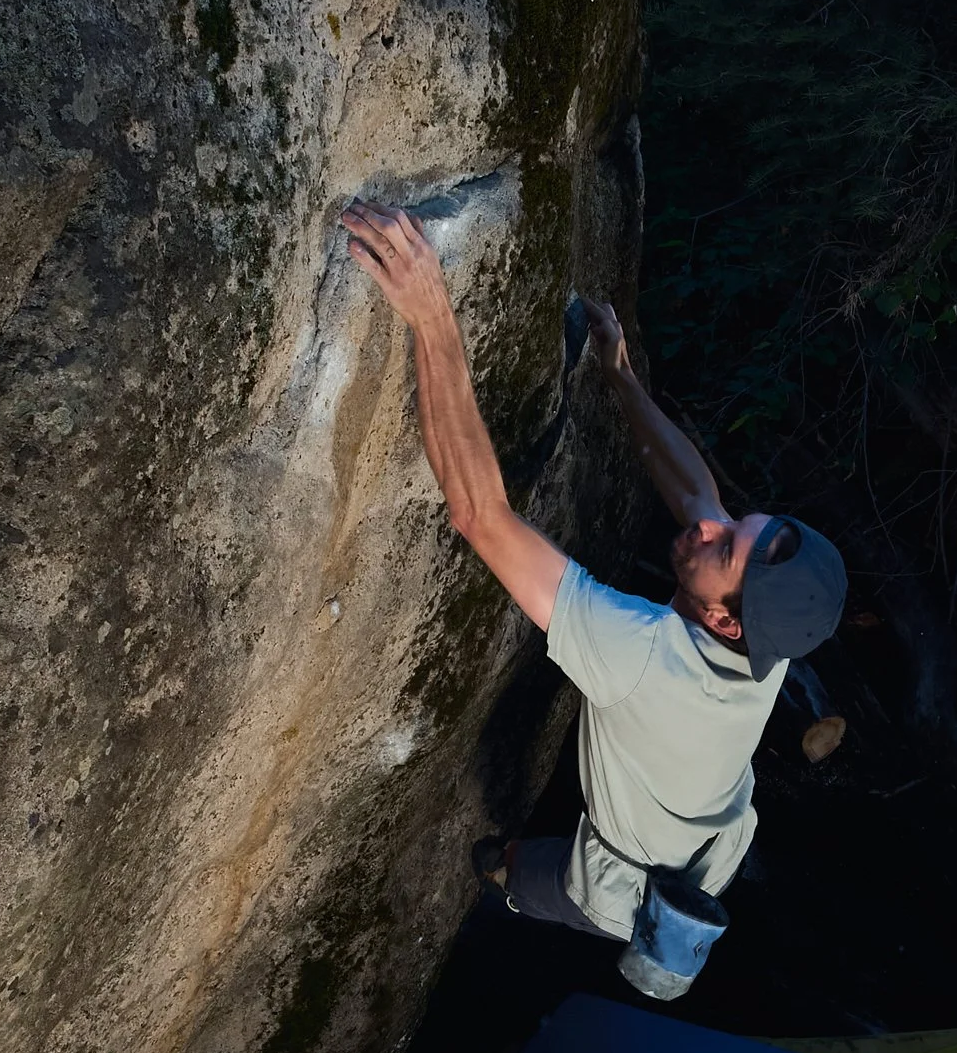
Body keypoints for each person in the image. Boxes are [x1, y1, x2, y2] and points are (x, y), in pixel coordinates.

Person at [339, 199, 847, 952]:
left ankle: (506, 883)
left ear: (724, 623)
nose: (710, 523)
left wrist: (431, 315)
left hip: (621, 884)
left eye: (722, 549)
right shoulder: (765, 638)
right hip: (703, 834)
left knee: (523, 871)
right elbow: (695, 494)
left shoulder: (643, 656)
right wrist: (618, 379)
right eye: (739, 524)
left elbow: (481, 515)